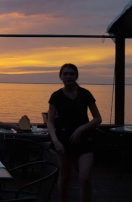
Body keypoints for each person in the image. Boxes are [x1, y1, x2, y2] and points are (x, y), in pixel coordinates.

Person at [47, 63, 102, 202]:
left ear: (76, 76)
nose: (68, 76)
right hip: (63, 140)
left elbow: (98, 118)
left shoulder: (85, 94)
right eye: (65, 74)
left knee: (85, 178)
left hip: (84, 140)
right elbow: (50, 121)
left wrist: (81, 128)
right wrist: (55, 141)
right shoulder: (56, 96)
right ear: (60, 77)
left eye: (71, 73)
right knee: (65, 177)